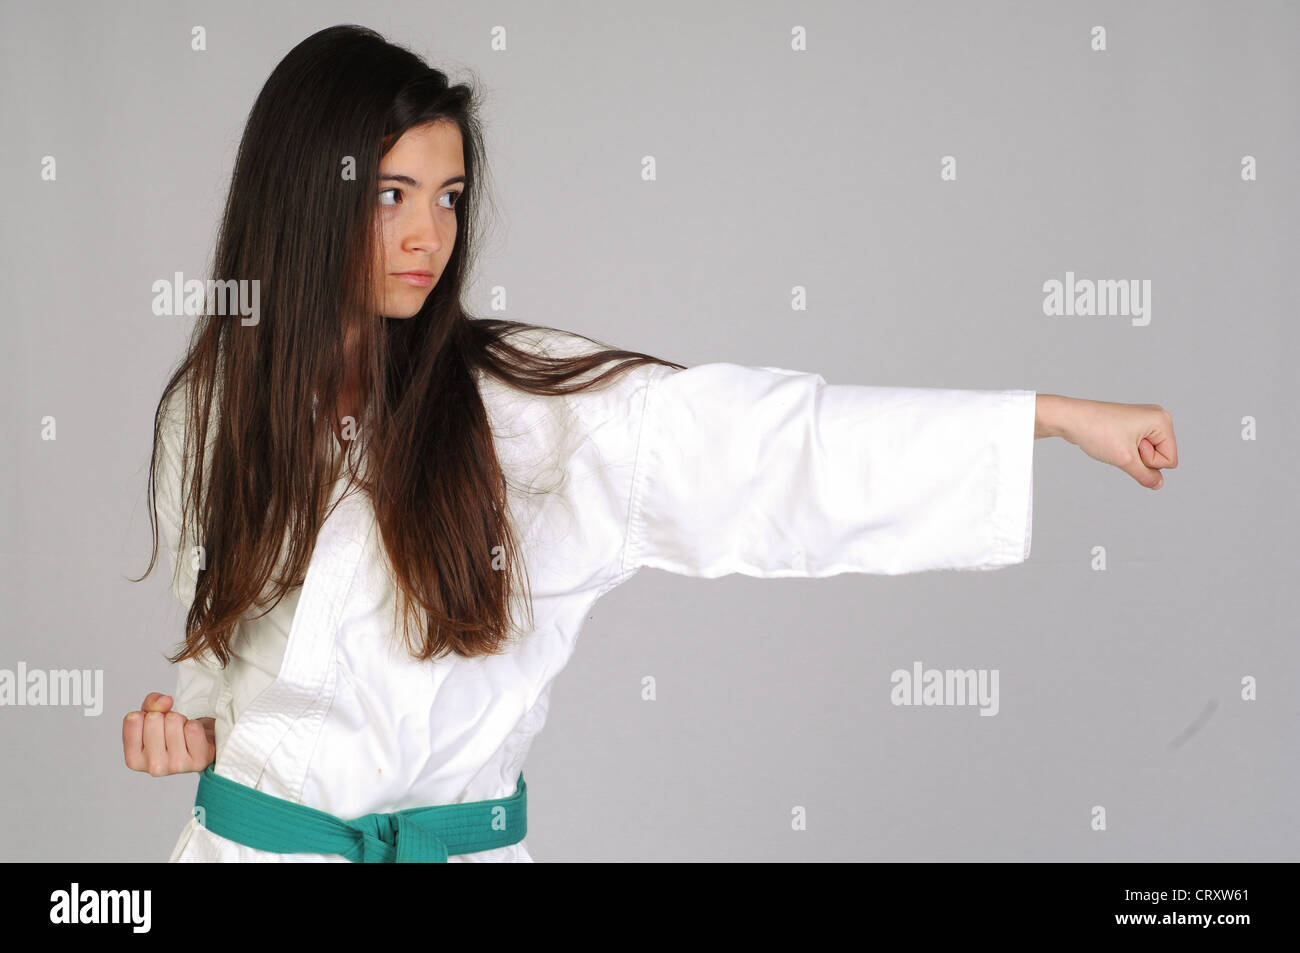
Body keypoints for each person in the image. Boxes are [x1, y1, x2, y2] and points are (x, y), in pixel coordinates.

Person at [122, 24, 1178, 863]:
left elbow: (774, 447)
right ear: (304, 198)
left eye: (447, 199)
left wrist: (1038, 417)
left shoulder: (527, 407)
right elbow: (228, 658)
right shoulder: (207, 413)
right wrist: (187, 723)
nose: (427, 236)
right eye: (390, 194)